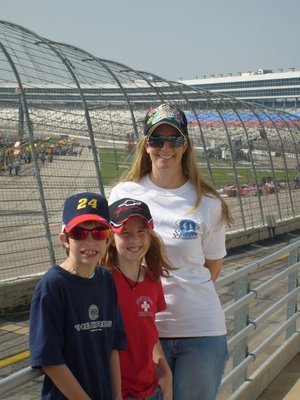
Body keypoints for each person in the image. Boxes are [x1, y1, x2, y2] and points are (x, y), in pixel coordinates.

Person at [109, 103, 233, 400]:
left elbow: (211, 268)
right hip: (144, 332)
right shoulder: (123, 193)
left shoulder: (208, 203)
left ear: (186, 146)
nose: (166, 148)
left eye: (174, 140)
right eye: (157, 140)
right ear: (145, 144)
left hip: (201, 331)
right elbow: (110, 258)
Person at [29, 192, 127, 400]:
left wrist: (117, 396)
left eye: (99, 233)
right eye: (79, 233)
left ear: (109, 239)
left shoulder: (105, 279)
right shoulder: (53, 285)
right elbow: (50, 360)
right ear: (64, 239)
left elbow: (113, 346)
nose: (90, 242)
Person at [102, 198, 173, 400]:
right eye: (125, 233)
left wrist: (165, 372)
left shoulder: (151, 279)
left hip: (150, 389)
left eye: (141, 231)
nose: (134, 239)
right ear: (111, 239)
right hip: (115, 391)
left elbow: (148, 330)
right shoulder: (102, 281)